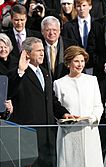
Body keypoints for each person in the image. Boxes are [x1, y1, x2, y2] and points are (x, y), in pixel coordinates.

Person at [8, 37, 75, 167]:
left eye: (43, 50)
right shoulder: (17, 72)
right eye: (38, 50)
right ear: (27, 53)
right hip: (29, 135)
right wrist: (20, 71)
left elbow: (51, 99)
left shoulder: (45, 72)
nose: (42, 53)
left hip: (48, 133)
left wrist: (64, 114)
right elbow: (10, 92)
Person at [54, 46, 103, 167]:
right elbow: (57, 109)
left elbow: (98, 105)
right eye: (76, 61)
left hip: (89, 131)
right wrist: (66, 119)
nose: (80, 64)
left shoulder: (92, 80)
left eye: (82, 61)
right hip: (69, 133)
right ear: (68, 63)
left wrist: (92, 117)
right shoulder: (59, 83)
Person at [41, 16, 77, 80]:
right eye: (48, 30)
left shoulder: (71, 45)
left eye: (54, 30)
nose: (51, 33)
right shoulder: (37, 46)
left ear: (59, 30)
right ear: (42, 31)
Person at [0, 33, 15, 119]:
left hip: (16, 104)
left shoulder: (16, 63)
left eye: (5, 47)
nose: (3, 49)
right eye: (0, 47)